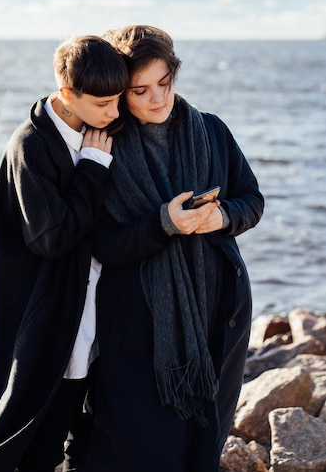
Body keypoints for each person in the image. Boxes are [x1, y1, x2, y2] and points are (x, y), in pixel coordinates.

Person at [0, 35, 129, 472]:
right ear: (68, 95)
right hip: (42, 312)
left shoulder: (98, 129)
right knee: (24, 431)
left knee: (71, 424)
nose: (115, 113)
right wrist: (91, 167)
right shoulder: (31, 146)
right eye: (104, 103)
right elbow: (51, 237)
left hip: (87, 305)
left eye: (119, 100)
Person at [79, 25, 264, 472]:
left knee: (204, 447)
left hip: (218, 313)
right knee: (140, 449)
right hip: (138, 325)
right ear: (120, 92)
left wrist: (221, 218)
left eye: (164, 83)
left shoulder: (212, 130)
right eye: (140, 90)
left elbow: (251, 200)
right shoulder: (104, 146)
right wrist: (165, 224)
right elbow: (100, 243)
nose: (157, 99)